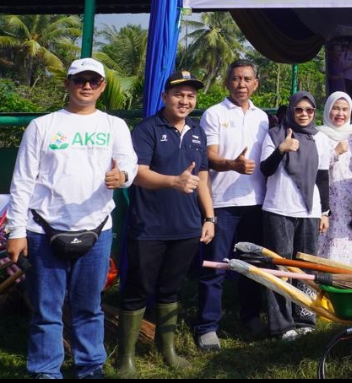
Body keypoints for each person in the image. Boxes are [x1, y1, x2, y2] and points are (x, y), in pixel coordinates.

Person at [6, 57, 137, 379]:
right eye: (80, 80)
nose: (87, 86)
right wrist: (15, 231)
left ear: (103, 86)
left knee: (89, 306)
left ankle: (90, 366)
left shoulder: (113, 126)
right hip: (43, 230)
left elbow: (130, 164)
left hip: (96, 230)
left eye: (94, 80)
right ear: (67, 84)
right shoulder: (43, 125)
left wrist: (122, 176)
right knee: (46, 309)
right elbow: (22, 180)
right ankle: (45, 370)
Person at [117, 70, 215, 377]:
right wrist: (172, 181)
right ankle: (126, 357)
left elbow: (201, 180)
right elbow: (139, 173)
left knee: (171, 290)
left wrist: (209, 217)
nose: (185, 101)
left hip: (186, 227)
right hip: (149, 227)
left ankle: (167, 348)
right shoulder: (146, 129)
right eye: (178, 95)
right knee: (136, 289)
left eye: (190, 95)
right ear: (164, 97)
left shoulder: (198, 133)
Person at [196, 59, 269, 351]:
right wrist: (232, 165)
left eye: (247, 79)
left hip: (257, 203)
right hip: (222, 203)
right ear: (227, 82)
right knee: (216, 267)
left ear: (255, 84)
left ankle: (250, 317)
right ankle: (207, 327)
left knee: (251, 268)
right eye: (236, 79)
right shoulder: (213, 114)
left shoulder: (263, 117)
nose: (242, 84)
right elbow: (208, 157)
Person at [260, 92, 331, 340]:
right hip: (279, 209)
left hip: (310, 211)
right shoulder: (275, 135)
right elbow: (265, 169)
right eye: (299, 110)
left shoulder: (320, 138)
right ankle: (282, 324)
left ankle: (305, 316)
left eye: (309, 110)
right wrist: (281, 149)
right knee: (280, 266)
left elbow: (323, 178)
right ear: (291, 110)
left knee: (306, 267)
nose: (303, 114)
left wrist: (324, 212)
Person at [318, 91, 352, 265]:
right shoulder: (317, 137)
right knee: (324, 252)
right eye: (336, 108)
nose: (340, 114)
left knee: (351, 251)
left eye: (345, 109)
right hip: (325, 206)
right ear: (327, 110)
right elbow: (314, 170)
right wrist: (335, 153)